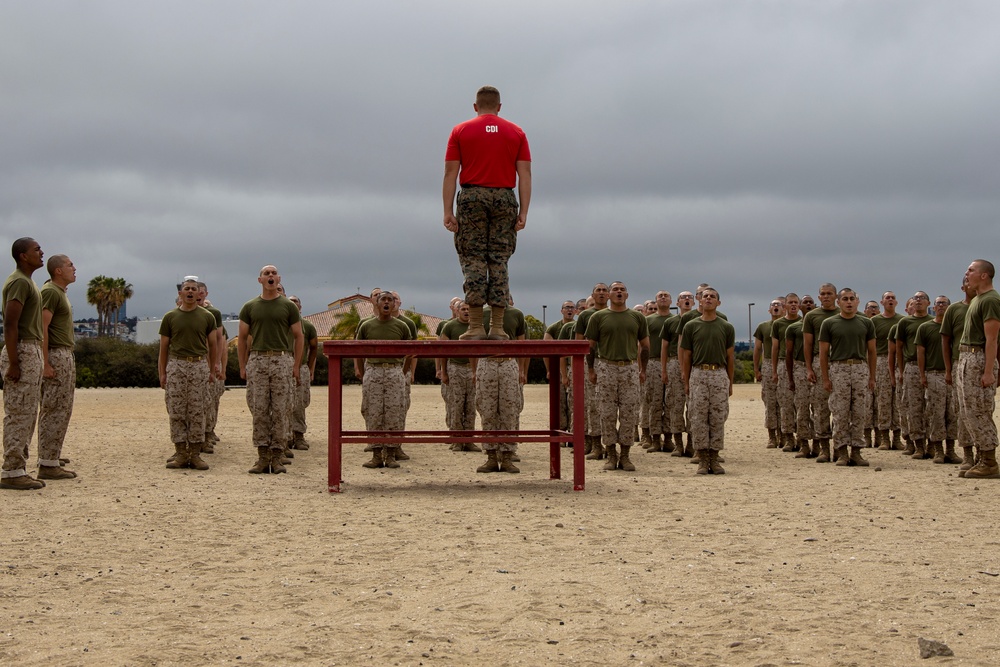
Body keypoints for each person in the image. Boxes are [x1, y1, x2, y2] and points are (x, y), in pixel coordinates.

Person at [442, 85, 531, 340]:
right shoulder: (516, 132)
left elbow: (451, 173)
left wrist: (448, 211)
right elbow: (525, 174)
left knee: (474, 259)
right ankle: (499, 328)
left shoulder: (460, 130)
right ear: (500, 107)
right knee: (499, 260)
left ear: (475, 107)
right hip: (505, 197)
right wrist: (524, 211)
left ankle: (476, 327)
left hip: (472, 197)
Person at [238, 265, 303, 474]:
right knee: (260, 409)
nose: (270, 276)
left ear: (279, 279)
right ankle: (262, 456)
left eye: (274, 273)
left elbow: (299, 336)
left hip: (281, 359)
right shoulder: (250, 307)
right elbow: (241, 338)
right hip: (257, 359)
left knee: (281, 409)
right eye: (266, 273)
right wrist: (242, 364)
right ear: (260, 280)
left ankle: (277, 456)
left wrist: (295, 364)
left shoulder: (288, 306)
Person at [585, 282, 650, 472]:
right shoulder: (598, 317)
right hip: (606, 367)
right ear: (609, 295)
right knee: (607, 413)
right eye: (615, 289)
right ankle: (611, 454)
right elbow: (590, 346)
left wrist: (643, 369)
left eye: (622, 290)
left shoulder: (637, 318)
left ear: (627, 295)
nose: (619, 292)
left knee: (629, 413)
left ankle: (626, 456)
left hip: (629, 368)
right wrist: (591, 369)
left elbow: (645, 345)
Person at [158, 279, 219, 470]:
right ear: (180, 294)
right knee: (176, 410)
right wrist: (162, 373)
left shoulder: (207, 317)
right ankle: (181, 453)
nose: (190, 292)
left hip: (199, 365)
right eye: (187, 289)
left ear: (199, 293)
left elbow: (213, 345)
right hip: (176, 365)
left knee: (197, 409)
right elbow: (163, 347)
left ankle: (195, 453)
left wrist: (211, 369)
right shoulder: (170, 317)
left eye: (194, 289)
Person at [1, 238, 46, 490]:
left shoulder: (27, 282)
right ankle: (11, 471)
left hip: (30, 349)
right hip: (22, 349)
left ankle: (18, 468)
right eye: (36, 250)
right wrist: (15, 362)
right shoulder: (19, 281)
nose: (41, 253)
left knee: (28, 412)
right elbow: (9, 323)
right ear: (22, 256)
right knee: (19, 413)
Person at [679, 287, 735, 475]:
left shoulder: (726, 327)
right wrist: (686, 381)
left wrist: (730, 382)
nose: (709, 299)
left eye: (713, 297)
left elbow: (730, 357)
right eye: (705, 297)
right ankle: (702, 458)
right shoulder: (691, 326)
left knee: (718, 417)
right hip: (698, 374)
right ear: (700, 302)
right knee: (699, 416)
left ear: (718, 303)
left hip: (719, 374)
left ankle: (714, 457)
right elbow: (686, 356)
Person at [354, 291, 413, 469]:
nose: (387, 303)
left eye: (390, 300)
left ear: (394, 304)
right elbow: (358, 351)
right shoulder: (366, 325)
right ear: (377, 304)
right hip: (373, 371)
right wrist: (363, 371)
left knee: (394, 410)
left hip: (394, 370)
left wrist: (402, 371)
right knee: (373, 410)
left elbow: (410, 351)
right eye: (383, 300)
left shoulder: (402, 326)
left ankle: (391, 453)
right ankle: (376, 454)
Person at [818, 288, 876, 467]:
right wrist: (826, 378)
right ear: (838, 302)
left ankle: (857, 451)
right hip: (839, 368)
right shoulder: (829, 323)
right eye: (845, 299)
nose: (849, 302)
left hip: (860, 368)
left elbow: (872, 351)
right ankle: (842, 451)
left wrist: (872, 377)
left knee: (860, 412)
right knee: (840, 412)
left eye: (852, 299)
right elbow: (823, 353)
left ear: (857, 302)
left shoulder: (866, 323)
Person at [956, 260, 1000, 479]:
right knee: (968, 411)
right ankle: (980, 457)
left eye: (971, 270)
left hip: (978, 359)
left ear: (984, 276)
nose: (967, 273)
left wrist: (988, 371)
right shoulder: (978, 299)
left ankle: (989, 461)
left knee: (979, 410)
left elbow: (992, 339)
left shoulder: (991, 300)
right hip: (967, 357)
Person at [472, 298, 527, 473]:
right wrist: (475, 371)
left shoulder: (517, 314)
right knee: (487, 410)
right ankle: (491, 456)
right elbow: (474, 344)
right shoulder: (482, 314)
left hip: (509, 363)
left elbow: (522, 344)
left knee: (509, 411)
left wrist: (522, 370)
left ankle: (508, 456)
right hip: (487, 362)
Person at [37, 254, 78, 480]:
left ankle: (51, 454)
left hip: (64, 353)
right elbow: (42, 327)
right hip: (56, 354)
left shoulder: (58, 292)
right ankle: (48, 462)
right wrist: (45, 363)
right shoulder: (51, 292)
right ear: (58, 271)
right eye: (70, 265)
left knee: (62, 408)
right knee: (55, 408)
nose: (74, 268)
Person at [917, 295, 961, 464]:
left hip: (951, 374)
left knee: (951, 413)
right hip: (933, 373)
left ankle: (951, 450)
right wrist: (922, 375)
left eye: (944, 303)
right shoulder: (925, 327)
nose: (941, 306)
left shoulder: (954, 327)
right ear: (933, 307)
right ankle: (938, 450)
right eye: (938, 303)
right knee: (935, 412)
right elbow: (921, 353)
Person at [803, 284, 840, 463]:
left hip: (840, 362)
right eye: (823, 294)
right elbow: (808, 344)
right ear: (819, 297)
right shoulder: (812, 317)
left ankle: (839, 447)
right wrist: (809, 368)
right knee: (820, 408)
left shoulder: (844, 314)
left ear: (836, 296)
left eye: (829, 294)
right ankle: (824, 448)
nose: (826, 297)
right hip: (819, 363)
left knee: (840, 408)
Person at [942, 278, 976, 471]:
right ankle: (968, 454)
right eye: (967, 283)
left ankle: (984, 453)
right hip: (959, 363)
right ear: (962, 287)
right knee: (961, 411)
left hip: (982, 362)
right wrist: (948, 369)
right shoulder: (954, 310)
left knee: (982, 410)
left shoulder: (988, 304)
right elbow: (945, 341)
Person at [896, 292, 933, 458]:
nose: (918, 301)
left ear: (928, 303)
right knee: (912, 407)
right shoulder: (905, 322)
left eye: (922, 298)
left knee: (932, 407)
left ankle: (932, 444)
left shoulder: (933, 323)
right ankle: (916, 443)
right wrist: (901, 370)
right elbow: (898, 348)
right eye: (915, 298)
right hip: (911, 367)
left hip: (931, 368)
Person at [439, 301, 479, 451]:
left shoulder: (476, 327)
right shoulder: (449, 326)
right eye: (463, 309)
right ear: (457, 311)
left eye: (469, 309)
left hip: (472, 369)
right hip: (455, 368)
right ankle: (456, 439)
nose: (466, 311)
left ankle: (469, 440)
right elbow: (442, 350)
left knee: (471, 405)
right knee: (456, 404)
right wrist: (444, 372)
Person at [576, 283, 610, 459]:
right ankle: (593, 443)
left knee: (609, 405)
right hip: (591, 362)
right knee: (591, 404)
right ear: (593, 295)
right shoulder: (585, 316)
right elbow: (579, 342)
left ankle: (609, 444)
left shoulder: (614, 314)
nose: (602, 293)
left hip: (610, 362)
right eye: (599, 291)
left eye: (605, 291)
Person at [663, 290, 695, 456]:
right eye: (683, 297)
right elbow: (665, 347)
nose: (687, 299)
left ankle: (691, 443)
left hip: (694, 363)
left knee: (693, 406)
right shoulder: (670, 322)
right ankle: (678, 444)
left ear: (694, 302)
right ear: (677, 303)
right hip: (674, 362)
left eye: (690, 297)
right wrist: (664, 369)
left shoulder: (698, 319)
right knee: (675, 404)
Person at [871, 292, 904, 450]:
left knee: (898, 401)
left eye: (893, 298)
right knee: (883, 400)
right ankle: (884, 437)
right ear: (882, 302)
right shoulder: (874, 321)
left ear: (896, 302)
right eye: (887, 298)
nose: (890, 300)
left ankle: (897, 437)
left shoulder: (902, 321)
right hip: (881, 361)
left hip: (899, 361)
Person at [196, 282, 225, 453]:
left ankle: (206, 434)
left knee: (208, 400)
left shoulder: (213, 314)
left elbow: (219, 339)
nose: (197, 295)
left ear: (206, 294)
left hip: (209, 361)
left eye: (200, 292)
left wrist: (217, 363)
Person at [642, 290, 672, 452]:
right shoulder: (647, 321)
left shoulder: (675, 321)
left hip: (671, 363)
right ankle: (654, 438)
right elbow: (642, 347)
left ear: (671, 301)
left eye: (666, 296)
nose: (662, 297)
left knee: (670, 402)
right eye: (660, 296)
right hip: (653, 364)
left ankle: (668, 438)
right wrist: (642, 369)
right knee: (654, 402)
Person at [770, 293, 801, 452]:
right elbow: (774, 348)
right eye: (790, 302)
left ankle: (802, 436)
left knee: (802, 403)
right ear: (785, 306)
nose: (793, 305)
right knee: (786, 403)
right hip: (783, 363)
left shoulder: (804, 322)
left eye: (796, 302)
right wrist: (774, 371)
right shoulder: (779, 324)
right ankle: (788, 437)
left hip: (800, 363)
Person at [288, 296, 318, 451]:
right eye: (290, 301)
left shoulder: (307, 326)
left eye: (296, 302)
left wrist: (310, 368)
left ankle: (298, 435)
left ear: (300, 307)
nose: (293, 304)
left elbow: (314, 347)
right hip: (284, 366)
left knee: (300, 402)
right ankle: (285, 436)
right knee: (283, 403)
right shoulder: (281, 325)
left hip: (302, 368)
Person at [754, 299, 784, 448]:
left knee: (785, 402)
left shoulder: (788, 325)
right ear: (769, 310)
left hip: (785, 363)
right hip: (767, 364)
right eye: (773, 305)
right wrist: (756, 369)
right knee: (770, 401)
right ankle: (772, 436)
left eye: (779, 304)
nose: (776, 307)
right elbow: (758, 348)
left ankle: (785, 434)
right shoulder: (763, 327)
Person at [545, 300, 576, 434]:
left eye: (572, 308)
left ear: (575, 311)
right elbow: (546, 351)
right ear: (561, 310)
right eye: (566, 307)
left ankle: (574, 431)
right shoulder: (553, 328)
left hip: (574, 367)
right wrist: (549, 370)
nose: (569, 310)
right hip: (559, 368)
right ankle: (562, 430)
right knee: (560, 401)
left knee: (574, 403)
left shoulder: (578, 326)